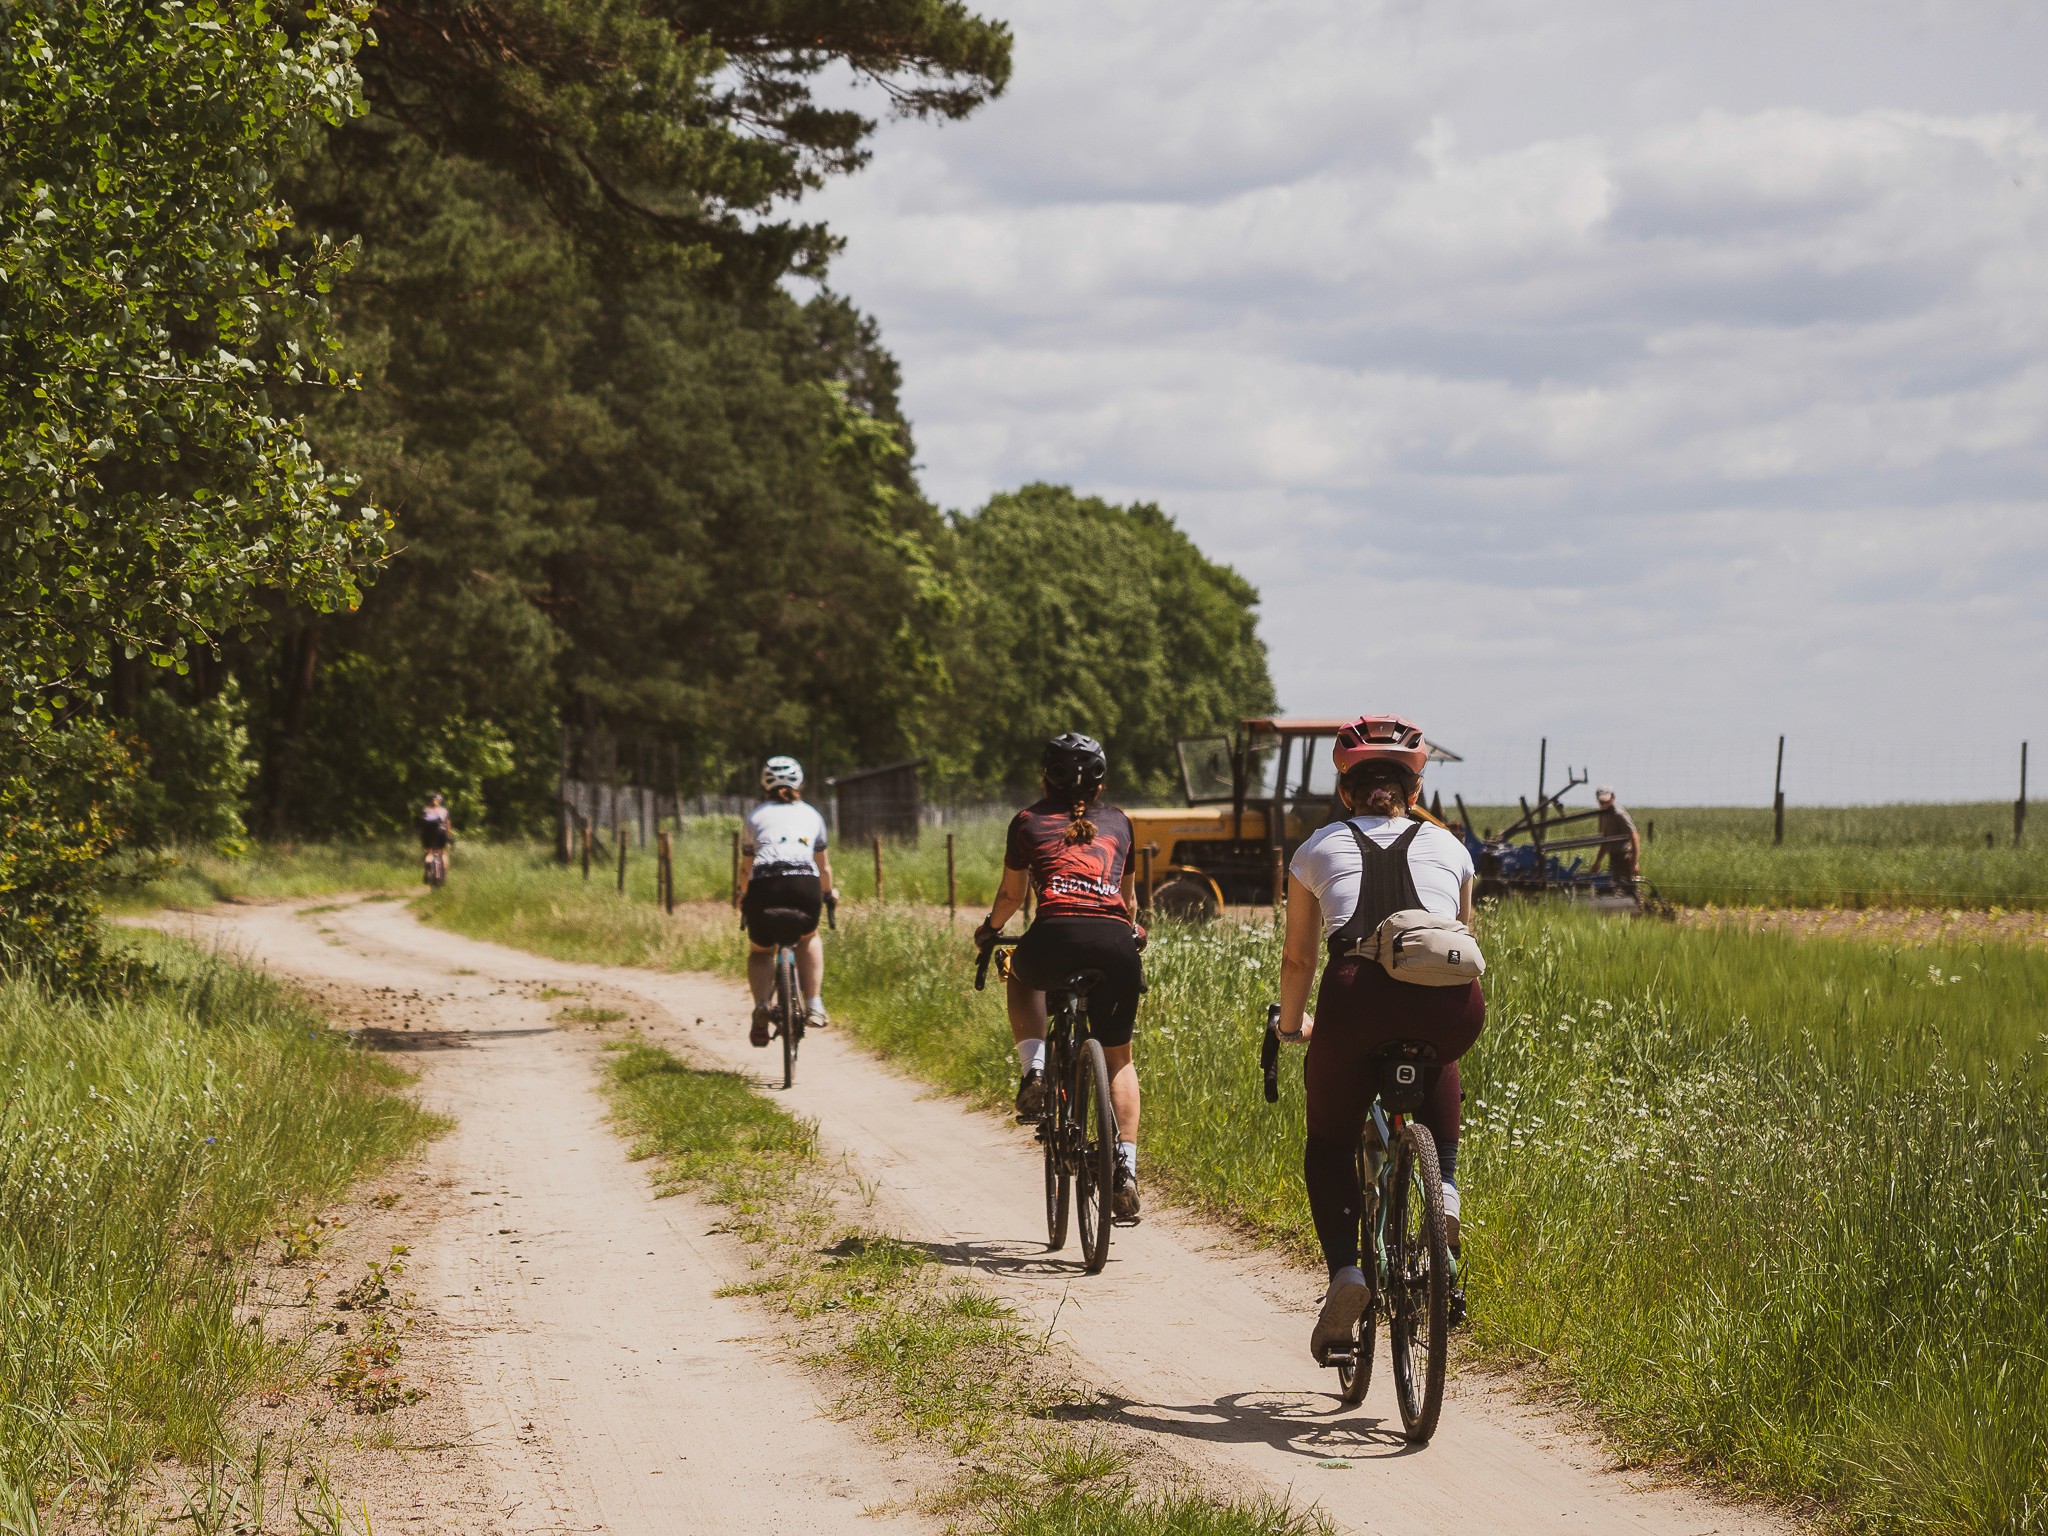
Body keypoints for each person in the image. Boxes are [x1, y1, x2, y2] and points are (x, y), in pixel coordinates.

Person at [1277, 714, 1483, 1362]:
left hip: (1355, 996)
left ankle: (1347, 1274)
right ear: (1412, 792)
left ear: (1348, 792)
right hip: (1453, 1006)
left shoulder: (1315, 848)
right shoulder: (1452, 849)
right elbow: (1464, 940)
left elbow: (1298, 962)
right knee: (1437, 1051)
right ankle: (1443, 1187)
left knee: (1329, 1143)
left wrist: (1291, 1027)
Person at [974, 733, 1146, 1222]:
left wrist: (989, 931)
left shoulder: (1027, 821)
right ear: (1101, 782)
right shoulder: (1120, 822)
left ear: (1043, 778)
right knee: (1119, 1060)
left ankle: (1034, 1071)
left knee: (1021, 977)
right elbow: (1129, 906)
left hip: (1052, 938)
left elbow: (1010, 897)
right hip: (1115, 945)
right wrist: (1134, 932)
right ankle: (1126, 1170)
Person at [738, 756, 837, 1047]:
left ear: (764, 784)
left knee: (760, 952)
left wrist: (744, 895)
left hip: (764, 886)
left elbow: (747, 869)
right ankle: (815, 1003)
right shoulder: (813, 815)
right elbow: (824, 867)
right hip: (804, 884)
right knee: (808, 937)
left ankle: (760, 1006)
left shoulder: (754, 817)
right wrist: (830, 893)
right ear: (800, 783)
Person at [1589, 784, 1641, 895]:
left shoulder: (1619, 814)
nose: (1604, 805)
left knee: (1629, 889)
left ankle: (1637, 908)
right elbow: (1605, 841)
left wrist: (1635, 862)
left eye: (1606, 802)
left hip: (1624, 856)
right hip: (1613, 856)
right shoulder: (1602, 815)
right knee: (1609, 888)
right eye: (1602, 802)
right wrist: (1597, 862)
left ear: (1612, 798)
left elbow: (1634, 837)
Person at [417, 793, 452, 881]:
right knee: (443, 852)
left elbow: (421, 824)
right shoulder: (444, 810)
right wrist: (449, 836)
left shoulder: (425, 810)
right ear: (440, 801)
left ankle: (428, 867)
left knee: (429, 853)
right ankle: (443, 875)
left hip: (427, 834)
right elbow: (447, 824)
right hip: (440, 833)